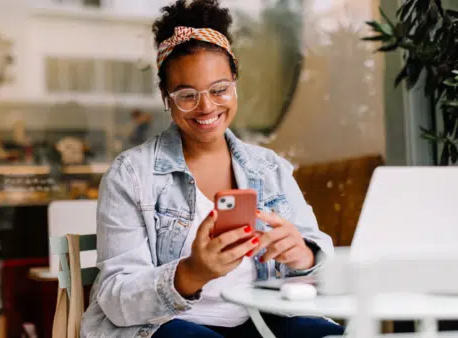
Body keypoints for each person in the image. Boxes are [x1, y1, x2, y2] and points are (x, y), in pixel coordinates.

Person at [81, 1, 345, 337]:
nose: (207, 107)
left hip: (261, 318)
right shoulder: (130, 175)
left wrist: (305, 256)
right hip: (164, 326)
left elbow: (323, 270)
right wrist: (190, 273)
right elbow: (116, 298)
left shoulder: (270, 169)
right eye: (187, 95)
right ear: (166, 96)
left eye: (219, 89)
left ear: (235, 82)